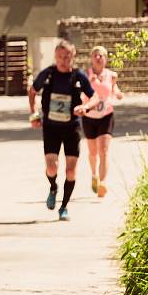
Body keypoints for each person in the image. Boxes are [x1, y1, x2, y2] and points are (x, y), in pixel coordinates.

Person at [28, 40, 100, 221]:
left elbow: (95, 96)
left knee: (70, 171)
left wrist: (86, 107)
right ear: (55, 56)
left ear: (73, 56)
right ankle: (53, 187)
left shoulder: (78, 76)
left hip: (72, 128)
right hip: (51, 127)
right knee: (52, 168)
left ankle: (64, 207)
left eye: (67, 56)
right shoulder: (49, 74)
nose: (63, 60)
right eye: (60, 56)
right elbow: (32, 91)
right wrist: (34, 115)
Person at [81, 46, 123, 198]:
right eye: (95, 56)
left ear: (105, 59)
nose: (98, 58)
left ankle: (103, 183)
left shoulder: (112, 75)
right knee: (93, 152)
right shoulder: (86, 75)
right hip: (89, 116)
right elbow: (80, 91)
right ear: (92, 59)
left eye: (101, 56)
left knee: (103, 151)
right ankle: (94, 175)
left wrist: (118, 94)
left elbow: (114, 89)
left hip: (106, 115)